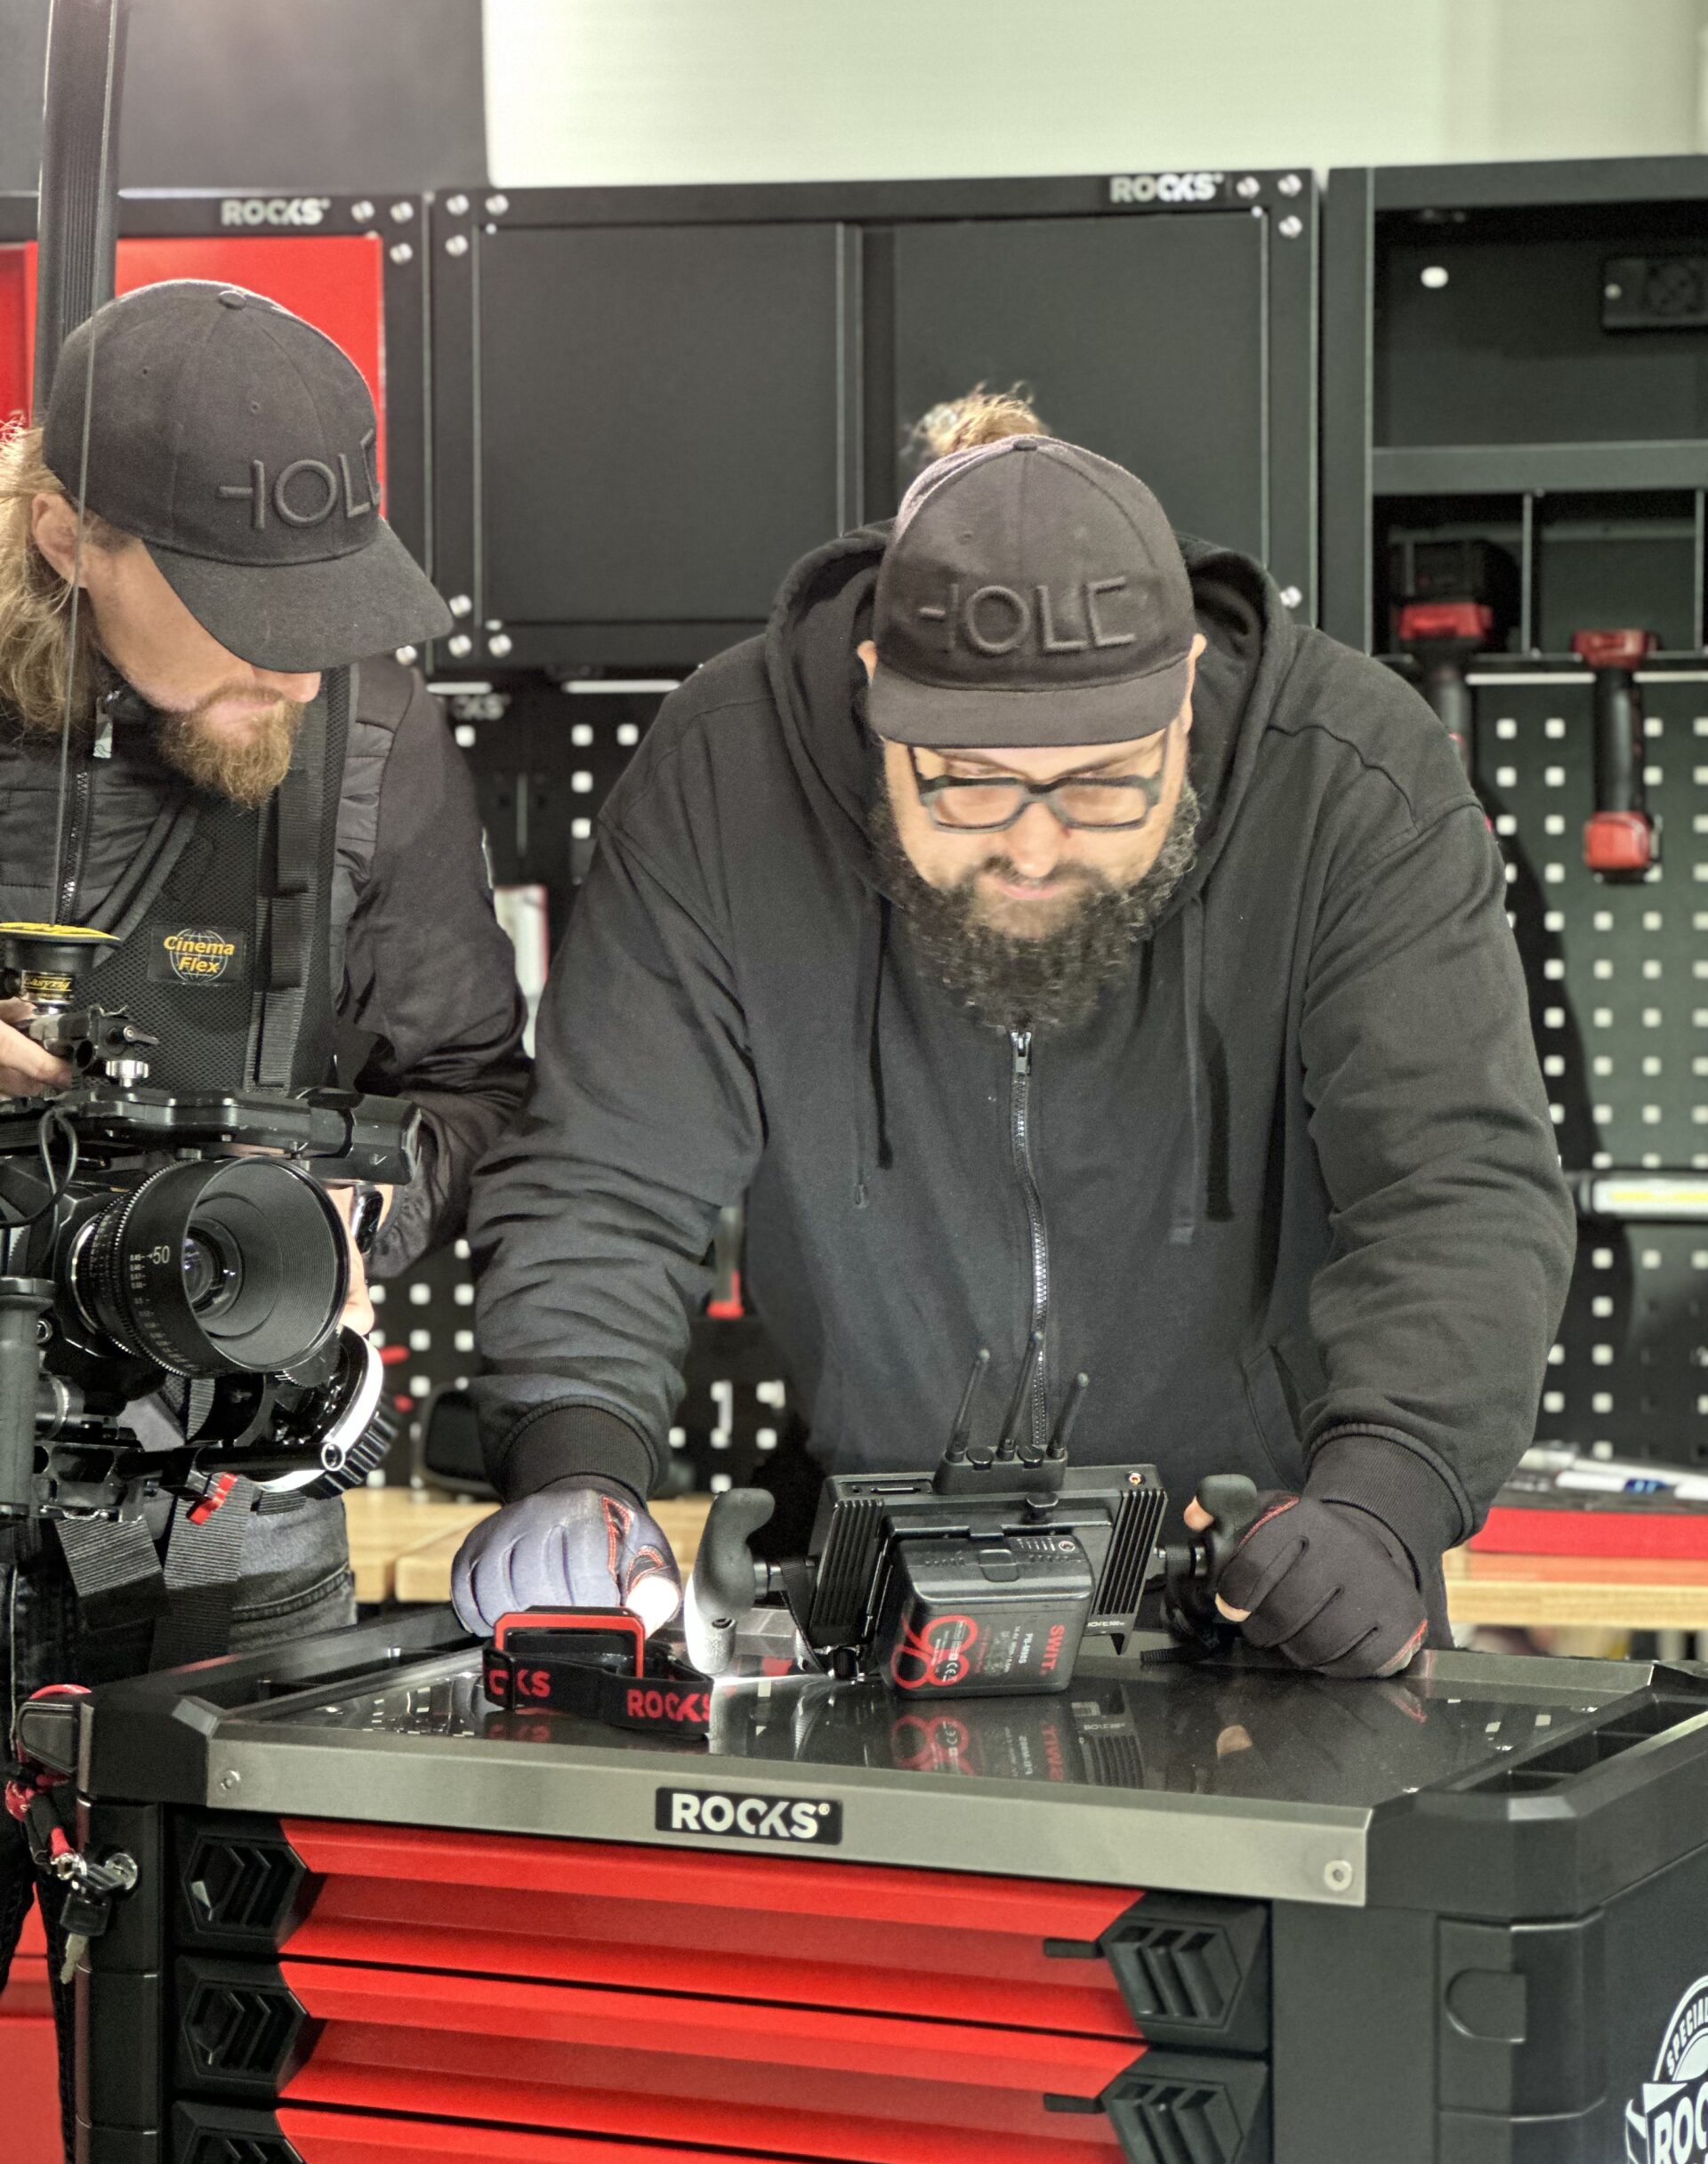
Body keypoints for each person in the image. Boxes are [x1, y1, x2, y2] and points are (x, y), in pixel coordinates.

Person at [455, 388, 1575, 1682]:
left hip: (1274, 1576)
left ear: (1183, 697)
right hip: (875, 1591)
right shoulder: (724, 774)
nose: (1035, 848)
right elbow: (605, 1175)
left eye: (1102, 787)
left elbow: (1454, 1184)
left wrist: (1387, 1495)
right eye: (971, 787)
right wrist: (577, 1461)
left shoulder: (1349, 775)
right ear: (877, 699)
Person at [1, 282, 528, 2013]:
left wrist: (344, 1221)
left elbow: (468, 1079)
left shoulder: (372, 729)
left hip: (234, 1527)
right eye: (244, 613)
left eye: (327, 609)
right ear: (70, 537)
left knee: (230, 2074)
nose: (297, 665)